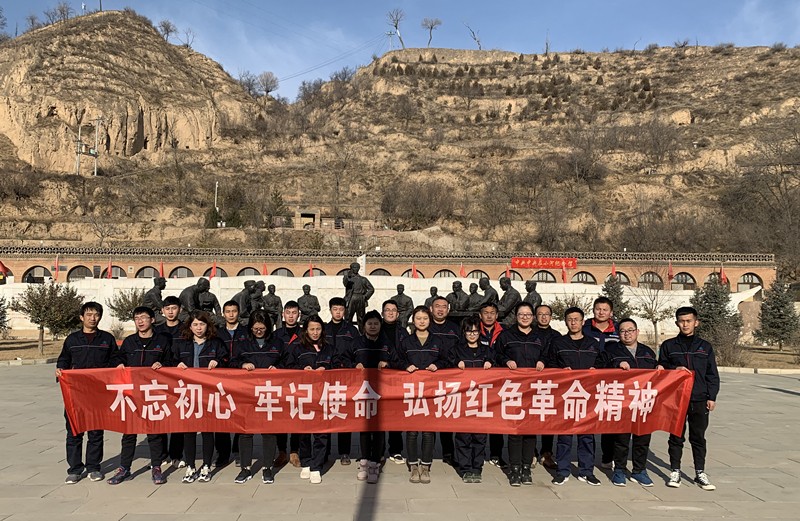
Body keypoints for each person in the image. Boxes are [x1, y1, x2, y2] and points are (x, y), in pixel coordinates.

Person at [106, 307, 173, 485]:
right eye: (137, 318)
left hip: (153, 393)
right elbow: (118, 358)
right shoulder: (129, 342)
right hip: (132, 394)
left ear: (152, 320)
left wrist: (163, 364)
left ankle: (156, 467)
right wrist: (119, 363)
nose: (140, 321)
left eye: (144, 317)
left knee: (154, 432)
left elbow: (171, 361)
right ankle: (124, 468)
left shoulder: (162, 341)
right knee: (129, 432)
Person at [658, 306, 720, 491]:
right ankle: (675, 471)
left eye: (688, 321)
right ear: (677, 323)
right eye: (681, 321)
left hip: (699, 398)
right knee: (676, 436)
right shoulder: (669, 346)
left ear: (696, 322)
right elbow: (661, 368)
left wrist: (712, 396)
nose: (685, 324)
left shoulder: (705, 347)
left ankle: (700, 472)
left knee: (698, 437)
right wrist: (674, 369)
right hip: (676, 398)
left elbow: (712, 374)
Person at [56, 302, 117, 484]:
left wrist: (117, 367)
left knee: (96, 432)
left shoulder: (107, 339)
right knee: (74, 432)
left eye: (96, 314)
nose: (93, 318)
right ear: (82, 317)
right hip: (76, 393)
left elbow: (115, 359)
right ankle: (75, 469)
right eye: (89, 314)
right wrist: (60, 369)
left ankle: (93, 467)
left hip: (98, 393)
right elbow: (64, 359)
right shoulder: (72, 339)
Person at [599, 318, 662, 487]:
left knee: (642, 438)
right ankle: (619, 470)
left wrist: (660, 368)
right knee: (621, 438)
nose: (627, 334)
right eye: (623, 331)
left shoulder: (647, 352)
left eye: (630, 330)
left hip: (643, 401)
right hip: (623, 401)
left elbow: (656, 372)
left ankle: (639, 470)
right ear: (618, 334)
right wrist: (616, 364)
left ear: (637, 332)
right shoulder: (611, 350)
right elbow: (600, 367)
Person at [393, 306, 449, 484]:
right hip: (412, 392)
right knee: (412, 431)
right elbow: (396, 359)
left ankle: (425, 465)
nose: (422, 321)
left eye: (425, 318)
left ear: (429, 320)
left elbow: (447, 359)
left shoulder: (437, 341)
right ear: (413, 321)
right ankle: (413, 465)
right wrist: (405, 366)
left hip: (431, 392)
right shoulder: (406, 341)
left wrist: (438, 365)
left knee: (428, 431)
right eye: (418, 318)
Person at [494, 302, 547, 487]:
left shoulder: (540, 337)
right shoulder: (506, 336)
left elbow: (549, 356)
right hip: (514, 389)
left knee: (530, 431)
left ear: (533, 317)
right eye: (521, 314)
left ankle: (526, 468)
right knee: (515, 431)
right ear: (516, 317)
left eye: (528, 314)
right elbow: (496, 355)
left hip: (534, 390)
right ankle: (514, 469)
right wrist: (506, 360)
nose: (525, 317)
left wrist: (542, 361)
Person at [171, 310, 226, 484]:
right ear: (190, 326)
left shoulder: (216, 343)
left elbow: (228, 361)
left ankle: (206, 465)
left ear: (207, 326)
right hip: (187, 392)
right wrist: (176, 364)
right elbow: (170, 361)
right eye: (195, 324)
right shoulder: (182, 344)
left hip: (208, 392)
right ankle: (190, 466)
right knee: (189, 431)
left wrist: (218, 362)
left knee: (208, 430)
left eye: (202, 324)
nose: (198, 328)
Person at [549, 307, 602, 486]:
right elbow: (550, 363)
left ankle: (586, 471)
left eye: (576, 319)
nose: (573, 322)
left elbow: (602, 363)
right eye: (570, 319)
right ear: (566, 322)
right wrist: (560, 370)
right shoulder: (558, 343)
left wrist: (596, 369)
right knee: (564, 436)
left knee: (587, 436)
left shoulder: (593, 343)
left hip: (588, 396)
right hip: (566, 396)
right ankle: (562, 471)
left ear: (582, 322)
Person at [230, 310, 284, 484]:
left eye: (262, 328)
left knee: (269, 431)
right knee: (245, 431)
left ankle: (267, 467)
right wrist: (243, 364)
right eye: (255, 329)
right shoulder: (243, 343)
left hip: (269, 393)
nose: (259, 331)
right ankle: (245, 468)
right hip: (247, 393)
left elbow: (287, 361)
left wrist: (278, 368)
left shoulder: (277, 342)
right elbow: (232, 362)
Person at [285, 314, 337, 484]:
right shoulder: (298, 349)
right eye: (312, 329)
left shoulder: (329, 348)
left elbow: (339, 366)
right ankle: (306, 461)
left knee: (321, 434)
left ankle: (317, 466)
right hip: (304, 396)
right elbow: (288, 367)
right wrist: (302, 369)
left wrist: (326, 369)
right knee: (304, 432)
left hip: (323, 396)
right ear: (306, 330)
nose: (315, 332)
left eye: (318, 329)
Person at [340, 310, 389, 483]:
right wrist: (354, 364)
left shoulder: (387, 344)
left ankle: (375, 462)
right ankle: (365, 460)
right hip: (362, 390)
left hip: (383, 391)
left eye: (376, 323)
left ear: (380, 325)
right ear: (364, 326)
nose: (373, 326)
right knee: (365, 427)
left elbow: (399, 360)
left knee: (379, 428)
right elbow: (343, 359)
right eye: (370, 324)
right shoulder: (356, 343)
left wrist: (388, 363)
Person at [450, 315, 492, 483]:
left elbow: (498, 363)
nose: (472, 335)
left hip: (482, 400)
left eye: (475, 331)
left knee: (480, 437)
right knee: (463, 436)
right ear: (464, 333)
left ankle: (477, 467)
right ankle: (465, 468)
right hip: (463, 399)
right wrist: (456, 363)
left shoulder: (487, 350)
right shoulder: (456, 350)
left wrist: (490, 362)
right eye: (469, 332)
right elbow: (446, 363)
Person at [583, 296, 621, 469]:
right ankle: (586, 460)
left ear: (611, 312)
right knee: (587, 420)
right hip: (588, 381)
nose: (601, 312)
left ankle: (607, 457)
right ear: (593, 310)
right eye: (598, 309)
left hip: (612, 382)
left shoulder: (619, 330)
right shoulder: (585, 328)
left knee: (609, 420)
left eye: (605, 310)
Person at [325, 297, 360, 465]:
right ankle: (325, 451)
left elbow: (357, 350)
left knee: (343, 412)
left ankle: (344, 451)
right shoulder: (324, 329)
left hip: (346, 375)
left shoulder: (351, 330)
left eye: (341, 309)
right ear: (330, 310)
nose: (338, 312)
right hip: (326, 375)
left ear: (345, 311)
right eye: (335, 309)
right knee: (326, 413)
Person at [215, 300, 250, 467]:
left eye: (234, 311)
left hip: (241, 378)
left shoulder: (246, 332)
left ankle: (238, 450)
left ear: (238, 312)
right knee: (221, 416)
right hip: (221, 378)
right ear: (223, 314)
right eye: (228, 311)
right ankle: (223, 454)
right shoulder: (217, 333)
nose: (231, 314)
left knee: (239, 414)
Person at [154, 296, 185, 468]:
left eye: (174, 308)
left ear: (180, 309)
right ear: (162, 311)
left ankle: (176, 454)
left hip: (181, 378)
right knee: (161, 415)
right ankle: (161, 454)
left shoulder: (186, 329)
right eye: (167, 308)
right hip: (161, 378)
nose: (171, 312)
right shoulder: (157, 330)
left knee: (178, 416)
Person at [428, 296, 459, 465]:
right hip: (430, 378)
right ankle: (428, 454)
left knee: (447, 414)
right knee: (430, 416)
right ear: (431, 309)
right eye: (437, 306)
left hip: (450, 377)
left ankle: (448, 453)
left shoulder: (455, 328)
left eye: (444, 306)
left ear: (448, 309)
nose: (440, 309)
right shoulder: (425, 325)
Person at [273, 300, 303, 467]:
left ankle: (295, 451)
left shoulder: (304, 333)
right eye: (288, 313)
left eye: (294, 313)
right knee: (281, 416)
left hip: (298, 380)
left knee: (297, 415)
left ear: (299, 314)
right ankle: (282, 451)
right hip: (280, 380)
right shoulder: (276, 335)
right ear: (283, 314)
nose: (291, 316)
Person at [380, 299, 410, 464]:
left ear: (398, 314)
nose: (390, 313)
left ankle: (396, 450)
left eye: (393, 310)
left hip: (397, 377)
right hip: (379, 378)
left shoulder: (403, 332)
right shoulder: (376, 329)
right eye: (387, 310)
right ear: (382, 313)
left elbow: (406, 354)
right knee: (379, 413)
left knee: (395, 413)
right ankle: (378, 450)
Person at [477, 301, 506, 468]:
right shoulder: (473, 330)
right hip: (477, 382)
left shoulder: (504, 333)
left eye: (492, 313)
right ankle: (477, 455)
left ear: (497, 315)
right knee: (477, 419)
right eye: (485, 313)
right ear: (480, 315)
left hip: (498, 382)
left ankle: (496, 454)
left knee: (496, 419)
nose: (489, 316)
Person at [534, 304, 561, 469]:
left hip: (550, 382)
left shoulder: (557, 336)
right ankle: (530, 452)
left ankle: (546, 453)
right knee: (530, 417)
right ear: (536, 316)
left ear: (551, 316)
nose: (544, 317)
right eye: (540, 314)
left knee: (548, 419)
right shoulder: (530, 333)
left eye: (547, 314)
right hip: (530, 382)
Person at [342, 262, 375, 326]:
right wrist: (347, 276)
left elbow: (371, 289)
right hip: (351, 298)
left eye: (357, 267)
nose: (356, 269)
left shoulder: (363, 279)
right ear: (351, 268)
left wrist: (365, 296)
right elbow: (345, 283)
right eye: (354, 267)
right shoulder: (348, 278)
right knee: (348, 317)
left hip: (360, 298)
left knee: (361, 318)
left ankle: (362, 331)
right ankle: (347, 331)